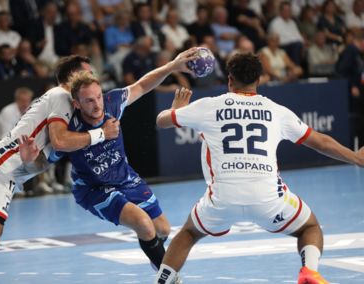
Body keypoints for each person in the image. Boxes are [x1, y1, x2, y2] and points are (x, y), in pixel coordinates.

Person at [154, 53, 364, 284]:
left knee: (189, 233)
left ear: (230, 80)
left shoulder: (207, 106)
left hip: (222, 199)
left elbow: (161, 121)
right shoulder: (277, 111)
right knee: (310, 227)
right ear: (259, 80)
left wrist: (176, 109)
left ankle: (162, 281)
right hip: (269, 199)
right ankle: (309, 272)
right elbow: (321, 143)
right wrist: (355, 158)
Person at [19, 48, 198, 282]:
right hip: (94, 189)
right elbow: (41, 164)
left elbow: (143, 85)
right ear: (76, 103)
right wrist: (29, 160)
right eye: (89, 101)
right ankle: (169, 278)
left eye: (98, 97)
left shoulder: (112, 103)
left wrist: (172, 66)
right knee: (144, 224)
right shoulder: (68, 129)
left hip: (126, 179)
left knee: (162, 229)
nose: (97, 105)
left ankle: (155, 255)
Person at [0, 55, 119, 283]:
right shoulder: (61, 95)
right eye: (89, 73)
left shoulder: (66, 104)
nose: (93, 77)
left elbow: (42, 158)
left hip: (6, 173)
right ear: (74, 76)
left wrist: (29, 161)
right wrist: (102, 134)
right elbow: (60, 141)